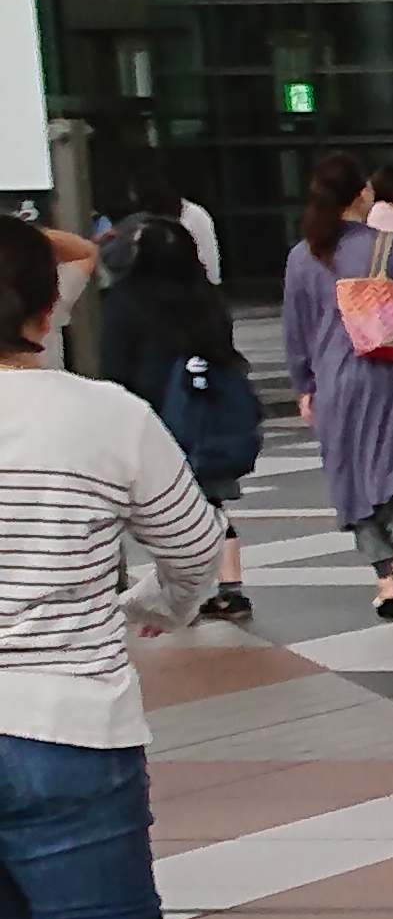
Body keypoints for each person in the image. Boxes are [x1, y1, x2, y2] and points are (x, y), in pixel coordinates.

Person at [0, 220, 221, 919]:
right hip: (66, 721)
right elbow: (193, 545)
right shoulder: (104, 416)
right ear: (49, 309)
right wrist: (158, 606)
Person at [282, 150, 393, 624]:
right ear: (362, 194)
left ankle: (386, 582)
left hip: (338, 381)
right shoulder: (392, 246)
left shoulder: (303, 256)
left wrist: (304, 386)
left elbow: (296, 332)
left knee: (354, 477)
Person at [88, 212, 252, 628]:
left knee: (162, 515)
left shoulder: (125, 301)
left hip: (153, 420)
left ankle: (182, 596)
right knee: (210, 504)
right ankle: (229, 586)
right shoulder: (205, 296)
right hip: (205, 416)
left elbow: (115, 370)